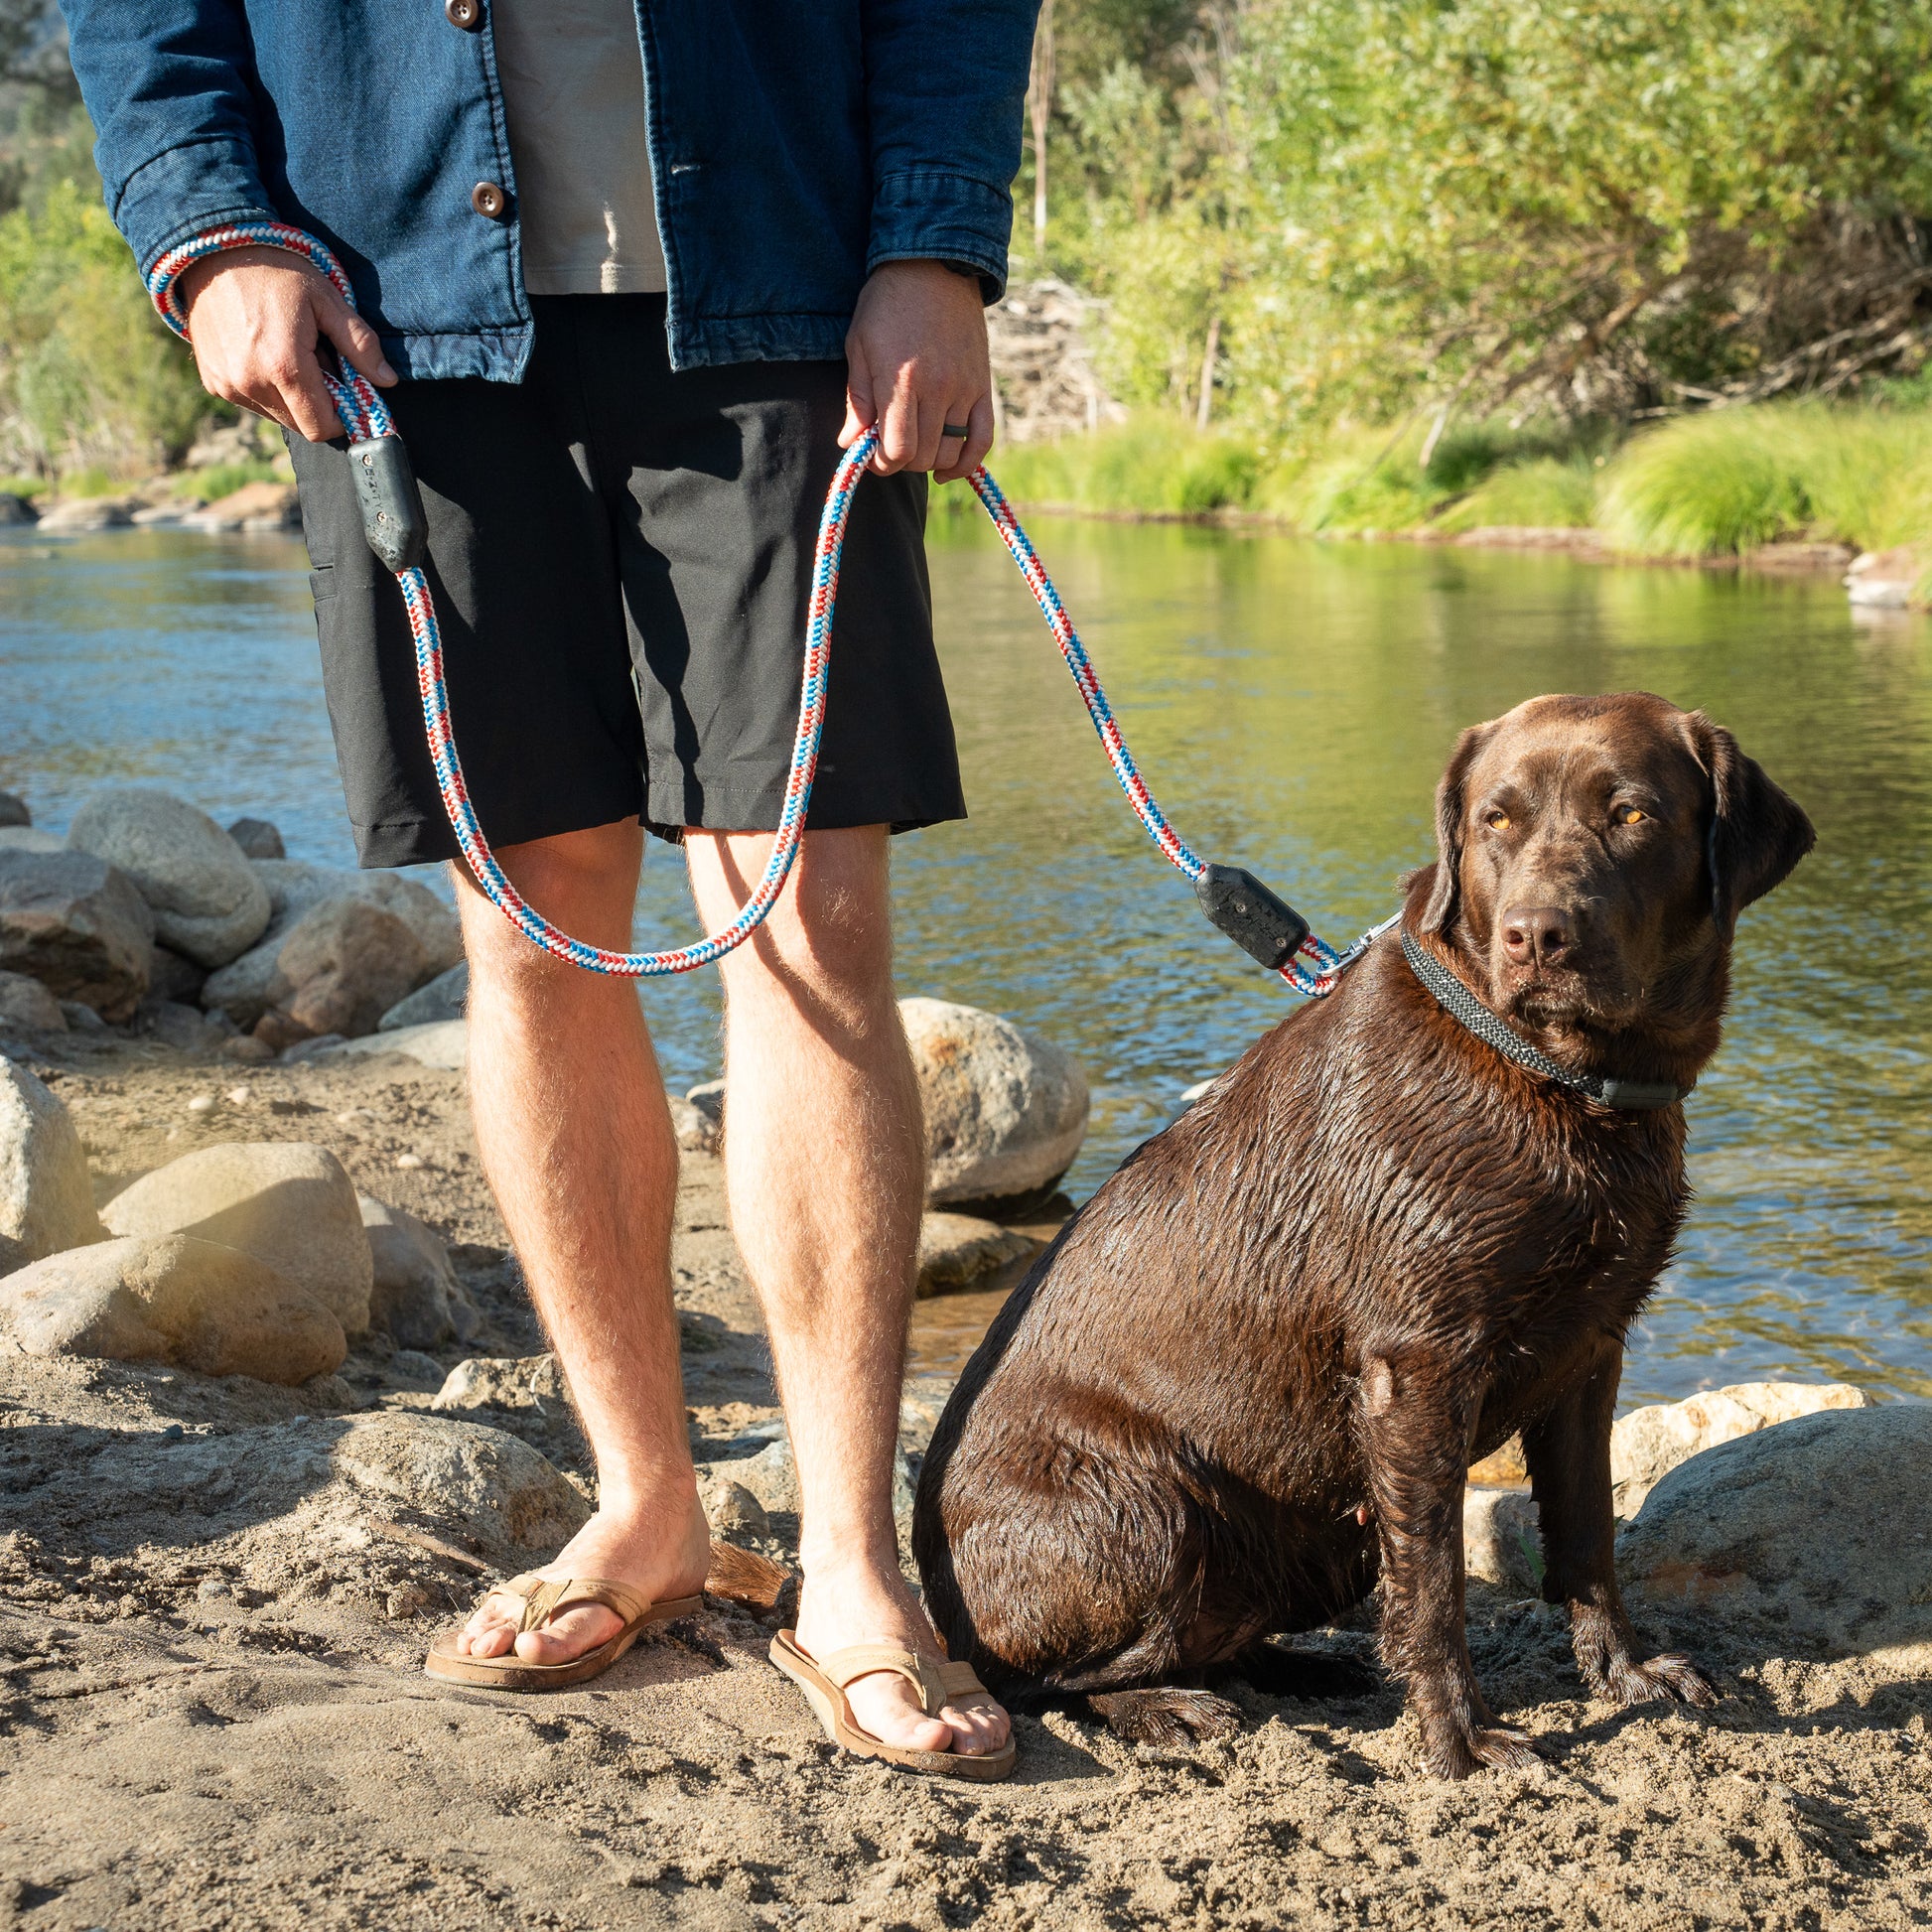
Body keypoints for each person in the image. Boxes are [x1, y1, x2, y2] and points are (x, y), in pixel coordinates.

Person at [61, 0, 1038, 1773]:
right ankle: (645, 1503)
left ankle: (845, 1559)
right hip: (393, 304)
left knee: (811, 921)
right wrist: (205, 225)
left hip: (781, 277)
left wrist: (933, 237)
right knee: (530, 933)